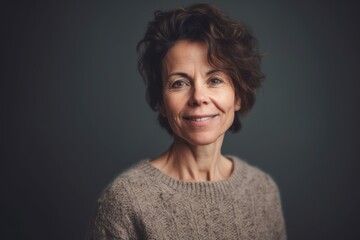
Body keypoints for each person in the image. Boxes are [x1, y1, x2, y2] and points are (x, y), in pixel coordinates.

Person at [88, 3, 286, 240]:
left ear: (239, 96)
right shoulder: (126, 201)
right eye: (179, 83)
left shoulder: (263, 191)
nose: (199, 98)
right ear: (161, 101)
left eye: (215, 80)